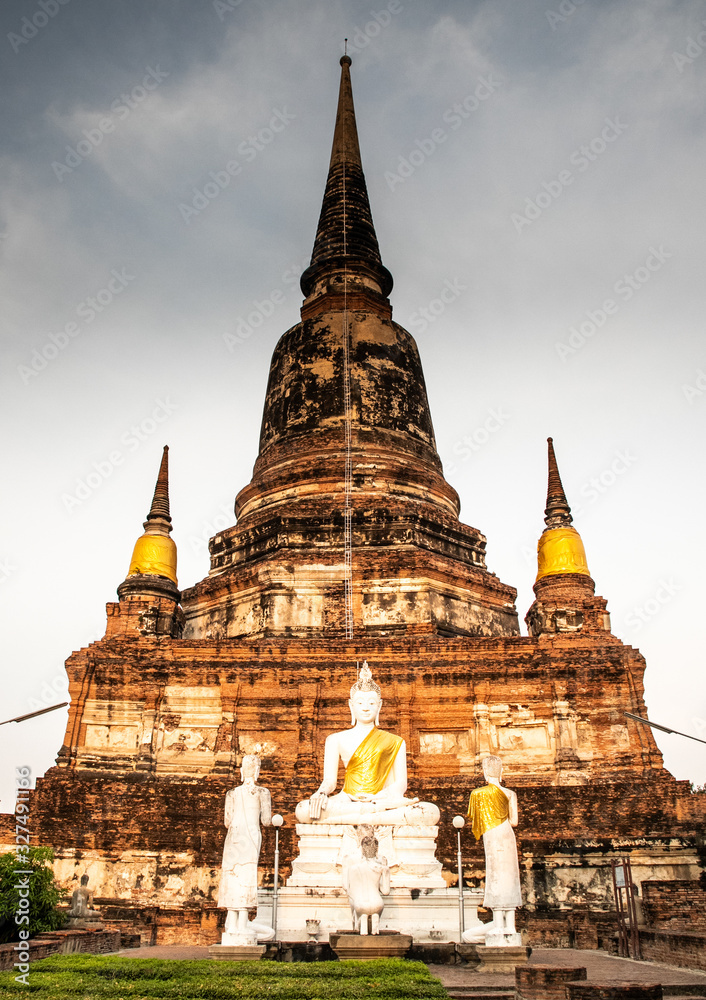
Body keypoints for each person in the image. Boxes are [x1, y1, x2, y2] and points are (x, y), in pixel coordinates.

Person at [295, 663, 438, 826]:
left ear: (380, 706)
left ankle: (359, 816)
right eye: (360, 703)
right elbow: (330, 781)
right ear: (351, 705)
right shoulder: (335, 739)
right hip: (347, 801)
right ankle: (369, 817)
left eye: (371, 703)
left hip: (382, 802)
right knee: (304, 809)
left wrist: (378, 798)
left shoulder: (396, 741)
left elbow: (401, 784)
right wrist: (320, 793)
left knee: (428, 811)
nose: (365, 708)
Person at [466, 755, 522, 945]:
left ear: (484, 772)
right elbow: (514, 822)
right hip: (507, 834)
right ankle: (511, 926)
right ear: (502, 771)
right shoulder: (510, 794)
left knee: (495, 875)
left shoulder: (477, 794)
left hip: (491, 835)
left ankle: (498, 924)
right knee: (510, 875)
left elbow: (477, 821)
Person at [217, 754, 272, 944]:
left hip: (234, 837)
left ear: (241, 770)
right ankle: (242, 922)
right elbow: (265, 821)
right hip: (251, 837)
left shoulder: (231, 793)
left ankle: (232, 923)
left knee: (232, 876)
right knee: (246, 876)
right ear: (257, 771)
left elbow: (227, 821)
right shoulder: (262, 793)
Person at [343, 833, 390, 935]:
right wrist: (385, 869)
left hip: (361, 904)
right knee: (376, 909)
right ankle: (375, 920)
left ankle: (361, 919)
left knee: (360, 913)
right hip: (377, 903)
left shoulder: (354, 869)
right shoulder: (381, 869)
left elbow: (350, 890)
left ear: (362, 850)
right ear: (377, 850)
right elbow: (386, 891)